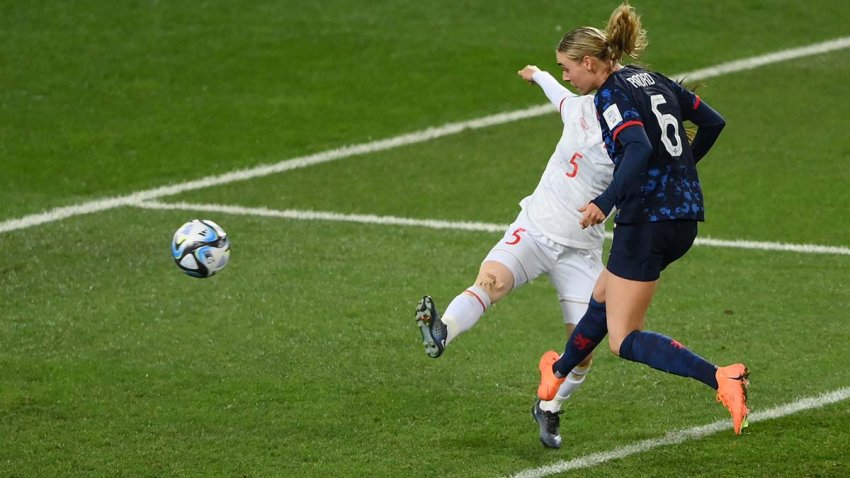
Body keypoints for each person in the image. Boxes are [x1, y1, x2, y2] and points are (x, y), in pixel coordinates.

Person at [535, 2, 750, 436]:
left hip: (645, 221)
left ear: (589, 62)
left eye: (566, 68)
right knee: (603, 293)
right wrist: (683, 168)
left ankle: (721, 377)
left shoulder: (610, 94)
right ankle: (556, 372)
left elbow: (637, 148)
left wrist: (606, 199)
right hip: (683, 218)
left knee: (623, 338)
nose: (565, 77)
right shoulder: (653, 78)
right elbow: (714, 122)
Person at [415, 64, 614, 448]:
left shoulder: (628, 142)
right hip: (535, 228)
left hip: (580, 251)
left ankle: (550, 408)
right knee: (491, 280)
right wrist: (538, 75)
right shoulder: (580, 109)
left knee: (584, 349)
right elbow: (559, 94)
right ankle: (443, 331)